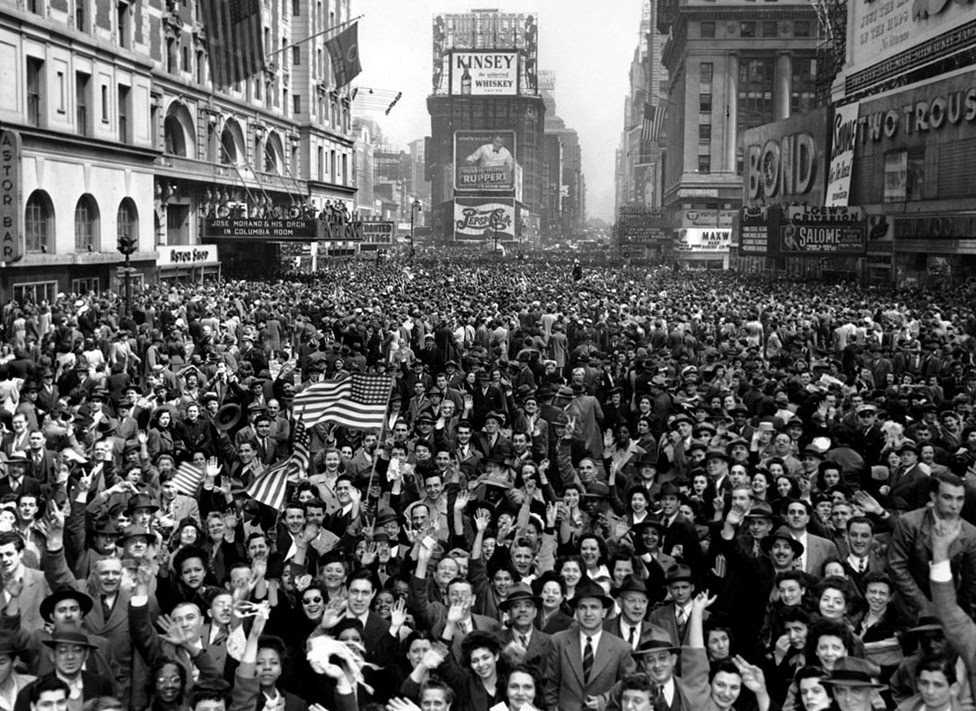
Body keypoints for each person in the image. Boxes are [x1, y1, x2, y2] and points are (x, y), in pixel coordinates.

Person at [543, 579, 636, 711]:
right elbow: (550, 684)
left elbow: (629, 686)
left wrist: (604, 700)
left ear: (603, 612)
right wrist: (553, 708)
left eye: (594, 607)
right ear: (576, 612)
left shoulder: (621, 648)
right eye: (582, 607)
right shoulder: (559, 641)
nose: (588, 613)